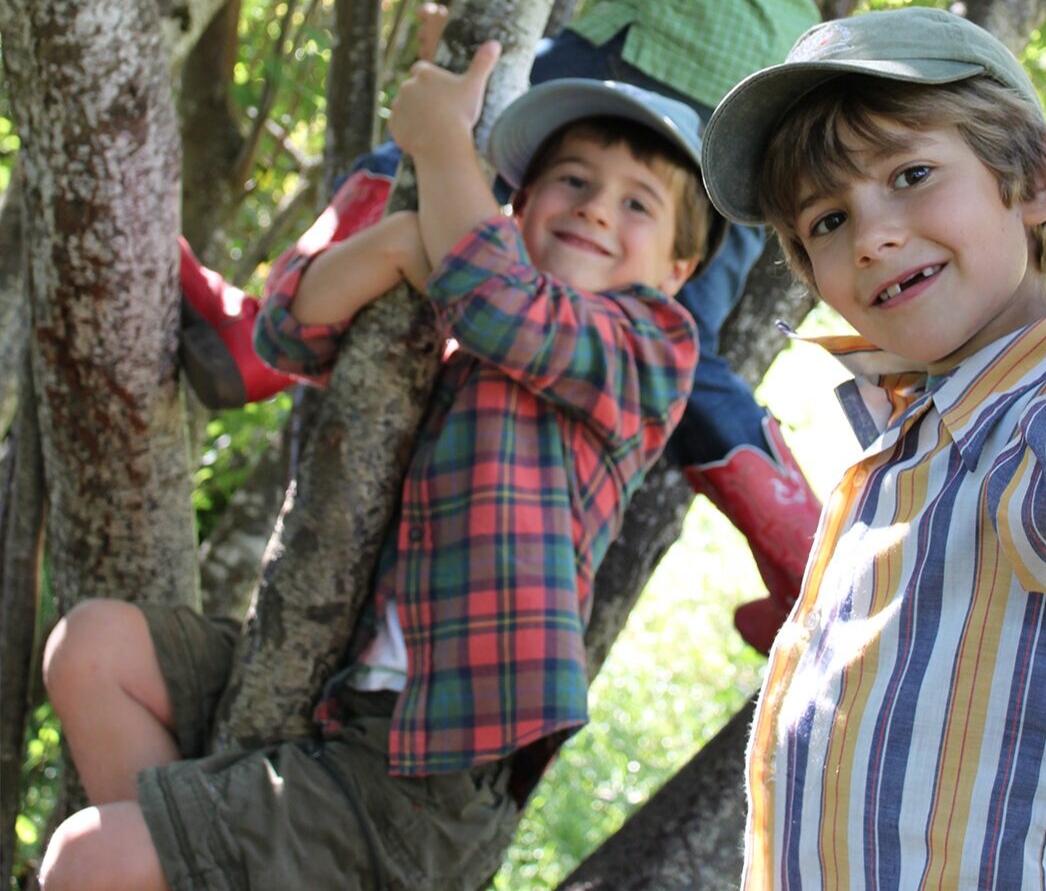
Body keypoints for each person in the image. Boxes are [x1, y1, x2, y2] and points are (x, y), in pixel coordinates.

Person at [38, 45, 725, 891]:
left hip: (430, 770)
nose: (593, 211)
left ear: (678, 271)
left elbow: (506, 305)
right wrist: (402, 235)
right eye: (572, 181)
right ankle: (188, 857)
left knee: (87, 858)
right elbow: (287, 332)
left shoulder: (648, 349)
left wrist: (440, 147)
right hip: (331, 680)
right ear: (519, 204)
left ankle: (166, 858)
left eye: (637, 204)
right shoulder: (458, 313)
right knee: (93, 646)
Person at [182, 0, 826, 655]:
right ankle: (806, 562)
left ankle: (260, 338)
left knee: (428, 151)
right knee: (681, 350)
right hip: (760, 105)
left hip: (662, 32)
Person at [700, 6, 1046, 888]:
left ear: (1034, 176)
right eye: (823, 222)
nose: (870, 237)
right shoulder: (914, 432)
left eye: (912, 173)